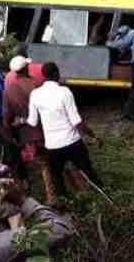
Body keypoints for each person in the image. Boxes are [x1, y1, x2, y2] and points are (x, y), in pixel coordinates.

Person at [28, 62, 104, 198]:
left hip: (52, 146)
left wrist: (21, 120)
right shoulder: (65, 92)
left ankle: (66, 206)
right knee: (88, 172)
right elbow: (77, 121)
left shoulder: (35, 94)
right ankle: (104, 196)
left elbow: (32, 122)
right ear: (57, 74)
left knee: (58, 179)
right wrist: (93, 136)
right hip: (72, 142)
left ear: (44, 76)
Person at [2, 56, 54, 203]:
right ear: (26, 68)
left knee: (41, 161)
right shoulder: (36, 84)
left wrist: (10, 132)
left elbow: (6, 115)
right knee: (49, 162)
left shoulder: (8, 89)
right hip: (43, 129)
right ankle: (52, 196)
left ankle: (38, 190)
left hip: (26, 133)